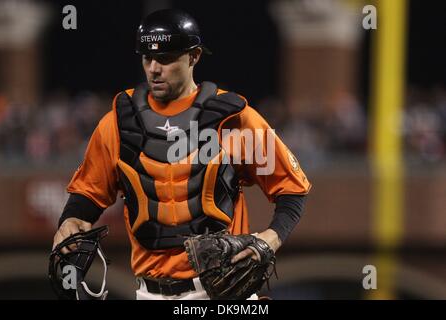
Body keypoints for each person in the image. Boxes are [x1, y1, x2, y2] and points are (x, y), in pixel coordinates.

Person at [52, 8, 311, 300]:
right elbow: (87, 196)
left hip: (221, 291)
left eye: (165, 58)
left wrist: (270, 238)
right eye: (147, 58)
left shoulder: (234, 119)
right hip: (149, 292)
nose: (153, 68)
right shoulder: (117, 124)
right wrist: (70, 221)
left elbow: (292, 190)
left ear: (194, 56)